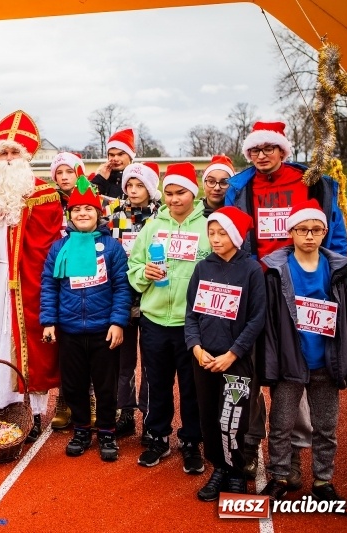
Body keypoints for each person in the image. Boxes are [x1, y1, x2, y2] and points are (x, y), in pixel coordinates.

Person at [224, 121, 347, 482]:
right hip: (260, 287)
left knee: (303, 368)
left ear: (282, 150)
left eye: (268, 149)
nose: (261, 156)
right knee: (259, 370)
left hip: (305, 287)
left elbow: (334, 232)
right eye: (254, 151)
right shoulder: (241, 186)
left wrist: (332, 275)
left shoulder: (311, 182)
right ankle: (253, 447)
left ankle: (294, 455)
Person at [0, 110, 63, 442]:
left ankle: (31, 411)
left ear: (26, 156)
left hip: (27, 280)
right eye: (1, 154)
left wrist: (20, 216)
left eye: (13, 153)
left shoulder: (45, 197)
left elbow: (45, 246)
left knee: (28, 342)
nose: (6, 160)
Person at [259, 200, 347, 502]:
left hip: (325, 363)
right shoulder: (276, 270)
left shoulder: (337, 270)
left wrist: (346, 362)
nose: (309, 235)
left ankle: (322, 480)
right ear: (290, 232)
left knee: (326, 426)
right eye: (302, 229)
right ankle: (279, 475)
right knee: (281, 424)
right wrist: (272, 362)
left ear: (324, 233)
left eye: (316, 230)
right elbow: (270, 322)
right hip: (291, 360)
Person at [41, 175, 132, 461]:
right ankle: (81, 430)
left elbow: (121, 287)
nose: (82, 214)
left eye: (88, 210)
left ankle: (106, 431)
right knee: (74, 385)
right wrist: (49, 320)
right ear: (70, 215)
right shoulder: (59, 248)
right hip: (69, 331)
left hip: (103, 329)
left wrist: (118, 322)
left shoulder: (113, 248)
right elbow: (49, 284)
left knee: (106, 386)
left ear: (98, 214)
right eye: (77, 210)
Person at [127, 162, 210, 472]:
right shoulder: (152, 226)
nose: (175, 199)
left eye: (182, 193)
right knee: (158, 384)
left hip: (193, 325)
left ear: (194, 192)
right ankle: (158, 438)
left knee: (191, 387)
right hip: (155, 320)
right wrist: (144, 274)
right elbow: (133, 268)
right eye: (170, 193)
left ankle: (191, 442)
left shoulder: (207, 227)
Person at [185, 207, 266, 501]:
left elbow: (257, 318)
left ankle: (236, 471)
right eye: (211, 233)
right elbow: (191, 313)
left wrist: (233, 354)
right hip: (205, 360)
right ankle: (219, 467)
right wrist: (195, 347)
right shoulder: (202, 268)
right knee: (208, 417)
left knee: (233, 419)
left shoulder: (251, 270)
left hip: (236, 361)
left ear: (235, 235)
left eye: (222, 233)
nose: (215, 239)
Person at [108, 162, 162, 443]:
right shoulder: (114, 216)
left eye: (139, 185)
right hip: (123, 296)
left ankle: (151, 417)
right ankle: (125, 412)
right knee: (123, 360)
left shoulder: (161, 217)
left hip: (154, 296)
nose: (133, 190)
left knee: (152, 361)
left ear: (150, 188)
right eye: (129, 185)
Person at [47, 151, 89, 430]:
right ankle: (64, 400)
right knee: (66, 348)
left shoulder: (91, 197)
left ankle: (90, 400)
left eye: (69, 172)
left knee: (91, 346)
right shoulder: (48, 201)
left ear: (79, 173)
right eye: (59, 173)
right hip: (61, 274)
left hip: (89, 272)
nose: (64, 177)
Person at [91, 128, 135, 199]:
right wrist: (101, 179)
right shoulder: (100, 178)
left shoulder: (139, 179)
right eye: (112, 155)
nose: (115, 159)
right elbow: (84, 199)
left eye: (120, 154)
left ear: (130, 157)